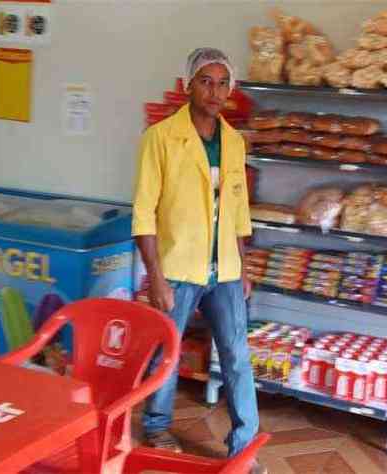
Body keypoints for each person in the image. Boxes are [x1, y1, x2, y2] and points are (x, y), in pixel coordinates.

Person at [132, 48, 263, 472]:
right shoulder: (161, 138)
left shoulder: (234, 142)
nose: (215, 91)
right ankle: (156, 426)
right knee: (166, 353)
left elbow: (240, 211)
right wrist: (155, 278)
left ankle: (243, 444)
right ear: (189, 84)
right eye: (206, 81)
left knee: (237, 355)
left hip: (224, 268)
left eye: (223, 82)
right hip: (177, 268)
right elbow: (144, 213)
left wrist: (242, 268)